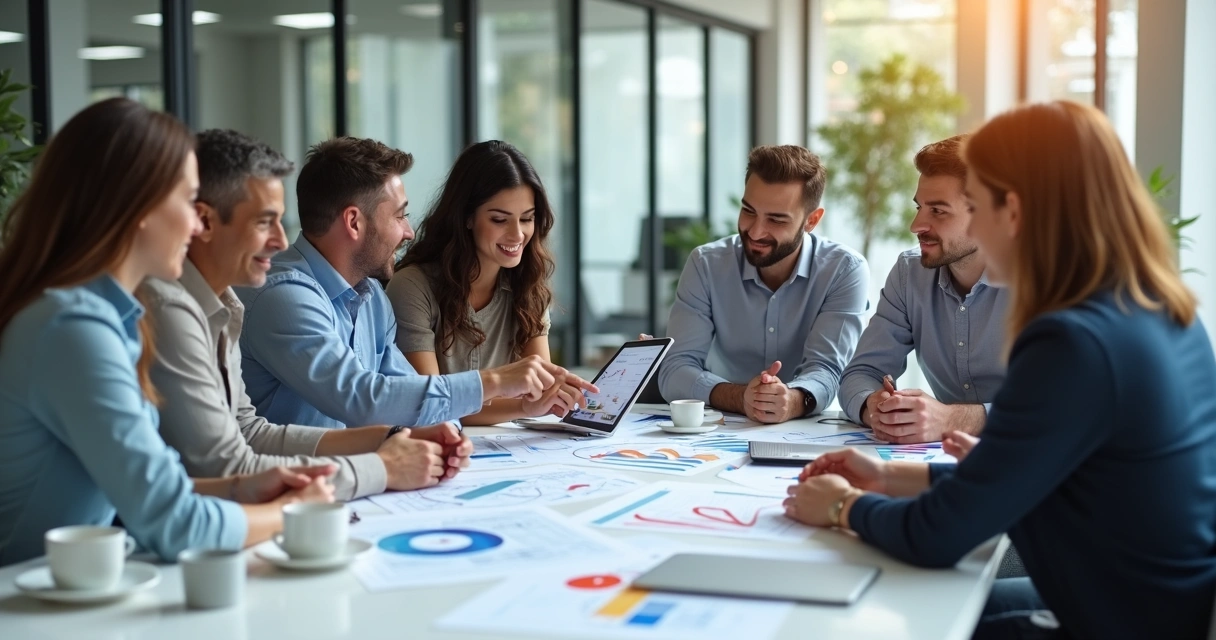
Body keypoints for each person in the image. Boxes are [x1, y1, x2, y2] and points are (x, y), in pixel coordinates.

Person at [785, 101, 1216, 639]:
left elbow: (939, 535)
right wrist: (889, 474)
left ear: (1013, 211)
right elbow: (1043, 482)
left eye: (980, 206)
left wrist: (841, 507)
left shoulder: (1072, 341)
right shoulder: (1157, 307)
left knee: (869, 621)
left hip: (1104, 618)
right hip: (1150, 602)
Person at [0, 99, 335, 567]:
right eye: (187, 200)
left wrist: (242, 488)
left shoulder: (113, 317)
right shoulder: (73, 329)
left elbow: (139, 491)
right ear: (137, 205)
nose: (199, 224)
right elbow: (173, 523)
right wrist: (289, 512)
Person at [142, 129, 468, 501]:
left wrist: (392, 438)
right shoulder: (185, 308)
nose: (281, 241)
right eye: (265, 222)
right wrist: (382, 467)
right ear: (204, 221)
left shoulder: (223, 305)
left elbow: (249, 433)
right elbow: (227, 467)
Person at [235, 137, 595, 430]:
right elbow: (364, 400)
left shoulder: (372, 296)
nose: (409, 231)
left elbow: (410, 395)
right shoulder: (284, 297)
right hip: (292, 492)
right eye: (400, 215)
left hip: (344, 475)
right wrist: (498, 383)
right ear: (354, 223)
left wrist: (443, 434)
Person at [659, 145, 869, 424]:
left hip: (805, 432)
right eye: (749, 211)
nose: (756, 231)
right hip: (718, 428)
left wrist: (792, 400)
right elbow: (675, 369)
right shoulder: (706, 265)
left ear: (812, 221)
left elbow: (828, 369)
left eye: (776, 219)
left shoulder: (844, 271)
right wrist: (741, 396)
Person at [386, 140, 584, 425]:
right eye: (499, 220)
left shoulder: (528, 286)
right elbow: (430, 405)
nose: (517, 235)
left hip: (505, 449)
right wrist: (522, 408)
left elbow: (541, 393)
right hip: (436, 448)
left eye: (527, 219)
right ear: (467, 217)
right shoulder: (413, 287)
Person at [837, 135, 1009, 443]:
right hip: (949, 464)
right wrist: (875, 406)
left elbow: (1069, 404)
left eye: (938, 211)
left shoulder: (1047, 281)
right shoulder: (909, 274)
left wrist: (953, 419)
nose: (916, 225)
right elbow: (860, 374)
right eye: (919, 207)